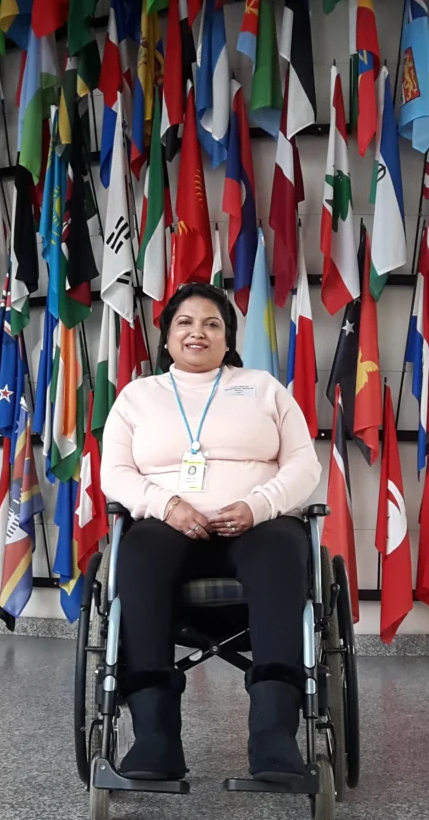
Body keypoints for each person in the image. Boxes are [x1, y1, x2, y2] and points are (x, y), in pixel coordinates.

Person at [101, 282, 322, 784]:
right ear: (166, 337)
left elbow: (304, 465)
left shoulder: (264, 387)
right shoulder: (138, 397)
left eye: (212, 324)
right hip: (166, 527)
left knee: (284, 550)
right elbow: (114, 473)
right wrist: (167, 505)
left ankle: (274, 740)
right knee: (137, 551)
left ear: (228, 340)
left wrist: (258, 505)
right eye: (185, 322)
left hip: (257, 527)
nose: (197, 332)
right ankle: (155, 741)